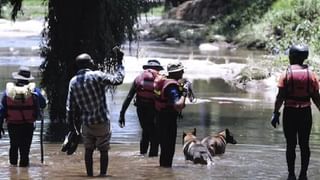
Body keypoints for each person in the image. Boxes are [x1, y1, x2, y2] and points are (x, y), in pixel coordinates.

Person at [66, 52, 124, 177]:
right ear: (88, 63)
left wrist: (72, 129)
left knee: (88, 149)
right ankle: (103, 175)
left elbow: (70, 108)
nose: (93, 62)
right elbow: (118, 80)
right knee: (103, 149)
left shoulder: (73, 82)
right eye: (91, 60)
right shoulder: (97, 75)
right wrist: (119, 62)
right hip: (102, 120)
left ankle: (89, 176)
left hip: (86, 123)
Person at [271, 44, 320, 180]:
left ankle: (291, 175)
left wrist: (276, 113)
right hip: (305, 114)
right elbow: (316, 98)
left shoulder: (285, 74)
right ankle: (303, 175)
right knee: (305, 144)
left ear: (292, 57)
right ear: (305, 57)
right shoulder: (312, 75)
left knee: (290, 144)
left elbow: (280, 97)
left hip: (290, 113)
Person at [0, 66, 46, 167]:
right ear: (28, 80)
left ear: (17, 78)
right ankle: (24, 171)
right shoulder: (34, 91)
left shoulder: (8, 92)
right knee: (25, 150)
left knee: (13, 146)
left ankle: (12, 171)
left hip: (13, 124)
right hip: (28, 125)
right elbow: (43, 104)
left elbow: (2, 109)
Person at [119, 59, 163, 157]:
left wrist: (122, 114)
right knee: (154, 136)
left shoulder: (138, 78)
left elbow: (129, 97)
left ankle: (142, 155)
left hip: (141, 109)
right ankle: (152, 161)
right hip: (154, 110)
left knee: (145, 131)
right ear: (158, 69)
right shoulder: (160, 79)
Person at [154, 62, 190, 167]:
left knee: (164, 149)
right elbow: (178, 105)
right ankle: (166, 173)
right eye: (181, 70)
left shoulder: (164, 81)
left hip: (160, 117)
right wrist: (184, 93)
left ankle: (162, 173)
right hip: (167, 120)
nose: (183, 72)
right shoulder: (172, 86)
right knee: (169, 150)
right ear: (175, 72)